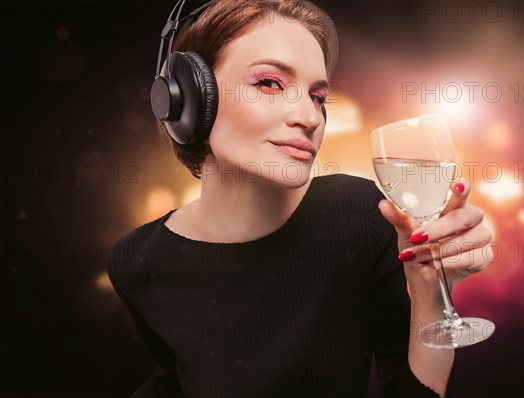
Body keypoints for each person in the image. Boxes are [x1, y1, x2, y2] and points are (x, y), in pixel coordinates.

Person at [107, 0, 493, 397]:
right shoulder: (136, 260)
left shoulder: (360, 216)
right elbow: (173, 378)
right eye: (269, 83)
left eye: (317, 96)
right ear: (187, 97)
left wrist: (429, 286)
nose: (310, 118)